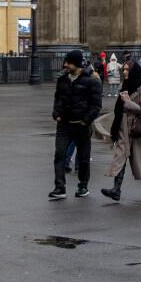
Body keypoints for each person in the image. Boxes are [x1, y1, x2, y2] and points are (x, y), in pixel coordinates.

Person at [101, 59, 141, 201]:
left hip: (137, 128)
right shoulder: (124, 85)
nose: (124, 72)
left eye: (127, 70)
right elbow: (118, 108)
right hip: (123, 127)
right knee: (120, 157)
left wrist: (128, 102)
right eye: (123, 69)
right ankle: (116, 189)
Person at [50, 50, 102, 199]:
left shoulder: (91, 81)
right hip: (64, 125)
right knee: (59, 155)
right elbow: (57, 99)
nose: (65, 65)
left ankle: (83, 186)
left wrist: (86, 120)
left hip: (81, 125)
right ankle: (60, 188)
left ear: (77, 64)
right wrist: (56, 114)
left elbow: (96, 105)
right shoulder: (62, 80)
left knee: (84, 158)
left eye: (69, 62)